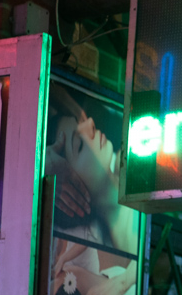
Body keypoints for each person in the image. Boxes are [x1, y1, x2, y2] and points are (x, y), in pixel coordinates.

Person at [45, 85, 139, 255]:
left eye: (81, 122)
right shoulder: (131, 242)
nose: (90, 123)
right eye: (80, 145)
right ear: (69, 193)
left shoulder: (135, 157)